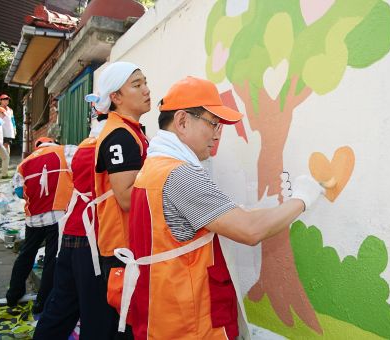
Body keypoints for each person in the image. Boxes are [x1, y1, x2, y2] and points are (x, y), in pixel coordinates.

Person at [115, 77, 324, 339]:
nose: (217, 134)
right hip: (189, 325)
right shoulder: (180, 175)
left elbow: (230, 217)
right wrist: (303, 200)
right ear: (182, 121)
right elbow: (250, 231)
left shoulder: (155, 166)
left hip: (164, 316)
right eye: (213, 123)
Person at [33, 114, 113, 340]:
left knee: (60, 308)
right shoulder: (110, 144)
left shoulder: (82, 147)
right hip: (93, 237)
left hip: (72, 231)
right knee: (95, 316)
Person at [90, 61, 150, 338]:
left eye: (145, 82)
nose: (146, 90)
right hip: (122, 249)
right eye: (137, 85)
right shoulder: (119, 136)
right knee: (128, 329)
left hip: (129, 246)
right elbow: (127, 198)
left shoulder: (132, 131)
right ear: (116, 97)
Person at [7, 137, 76, 314]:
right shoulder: (65, 150)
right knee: (52, 258)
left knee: (26, 254)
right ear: (52, 142)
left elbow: (19, 192)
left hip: (34, 218)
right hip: (58, 214)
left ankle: (13, 294)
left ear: (37, 146)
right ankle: (42, 301)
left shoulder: (24, 163)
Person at [0, 106, 9, 178]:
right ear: (0, 112)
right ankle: (4, 175)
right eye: (3, 114)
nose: (4, 116)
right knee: (6, 157)